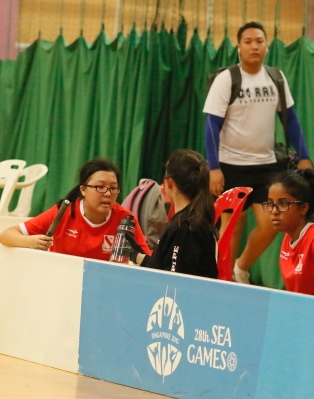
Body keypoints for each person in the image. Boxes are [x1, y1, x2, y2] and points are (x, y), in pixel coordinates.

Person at [204, 21, 313, 284]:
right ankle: (222, 279)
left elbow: (291, 120)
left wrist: (304, 155)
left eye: (260, 41)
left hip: (266, 166)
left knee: (270, 225)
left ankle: (240, 268)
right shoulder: (226, 79)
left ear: (266, 45)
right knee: (232, 227)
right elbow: (210, 124)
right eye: (248, 41)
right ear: (239, 47)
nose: (254, 46)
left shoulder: (276, 77)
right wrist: (214, 167)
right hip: (231, 165)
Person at [0, 158, 151, 259]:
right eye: (100, 187)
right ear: (83, 189)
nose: (107, 194)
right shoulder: (63, 212)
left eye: (113, 188)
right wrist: (30, 242)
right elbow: (6, 235)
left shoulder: (125, 219)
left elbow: (147, 259)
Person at [126, 150, 219, 278]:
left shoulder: (186, 227)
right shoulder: (189, 220)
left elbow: (174, 282)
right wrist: (136, 255)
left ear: (169, 182)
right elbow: (161, 267)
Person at [265, 169, 314, 295]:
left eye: (283, 203)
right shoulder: (288, 236)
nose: (274, 211)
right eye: (270, 203)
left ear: (303, 208)